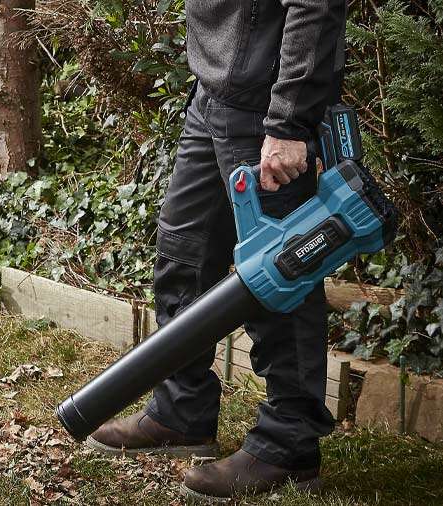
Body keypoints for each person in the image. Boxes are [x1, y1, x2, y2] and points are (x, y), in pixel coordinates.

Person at [84, 0, 347, 502]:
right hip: (214, 95)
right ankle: (181, 414)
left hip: (265, 108)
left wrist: (289, 121)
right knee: (182, 253)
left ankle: (288, 441)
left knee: (279, 274)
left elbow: (316, 6)